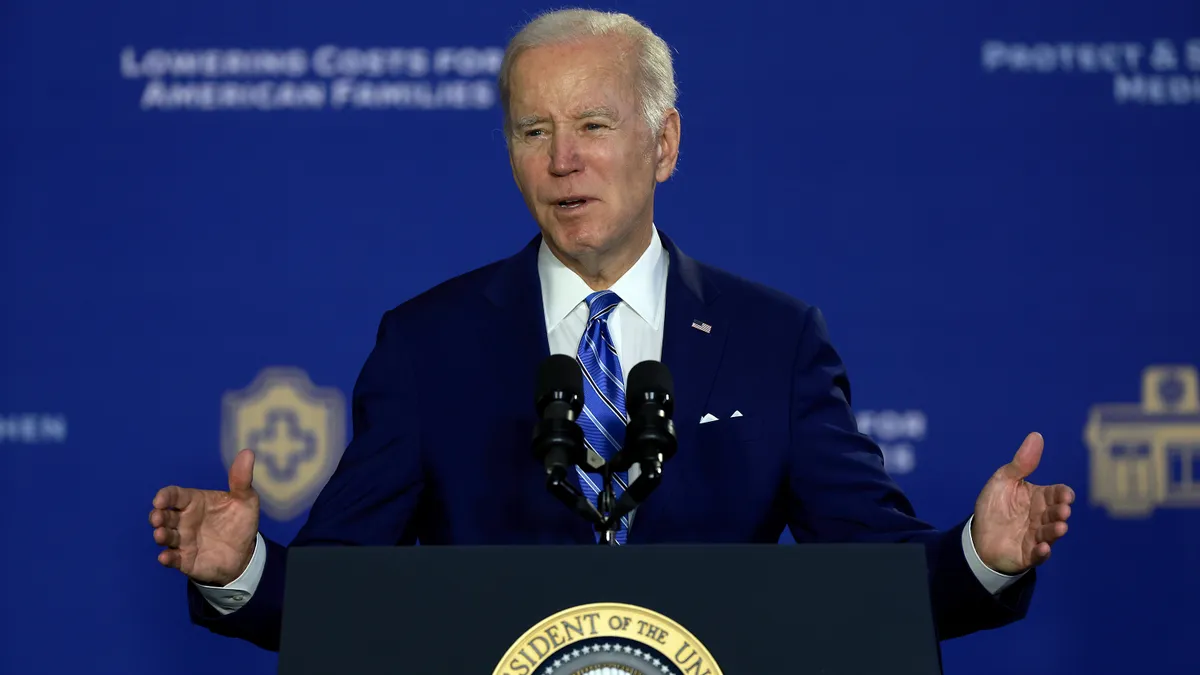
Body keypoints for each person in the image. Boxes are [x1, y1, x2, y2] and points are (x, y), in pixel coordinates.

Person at [149, 8, 1075, 653]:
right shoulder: (427, 345)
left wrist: (977, 554)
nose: (563, 161)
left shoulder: (772, 338)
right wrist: (241, 569)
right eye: (532, 130)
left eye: (593, 123)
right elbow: (341, 595)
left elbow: (873, 570)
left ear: (663, 143)